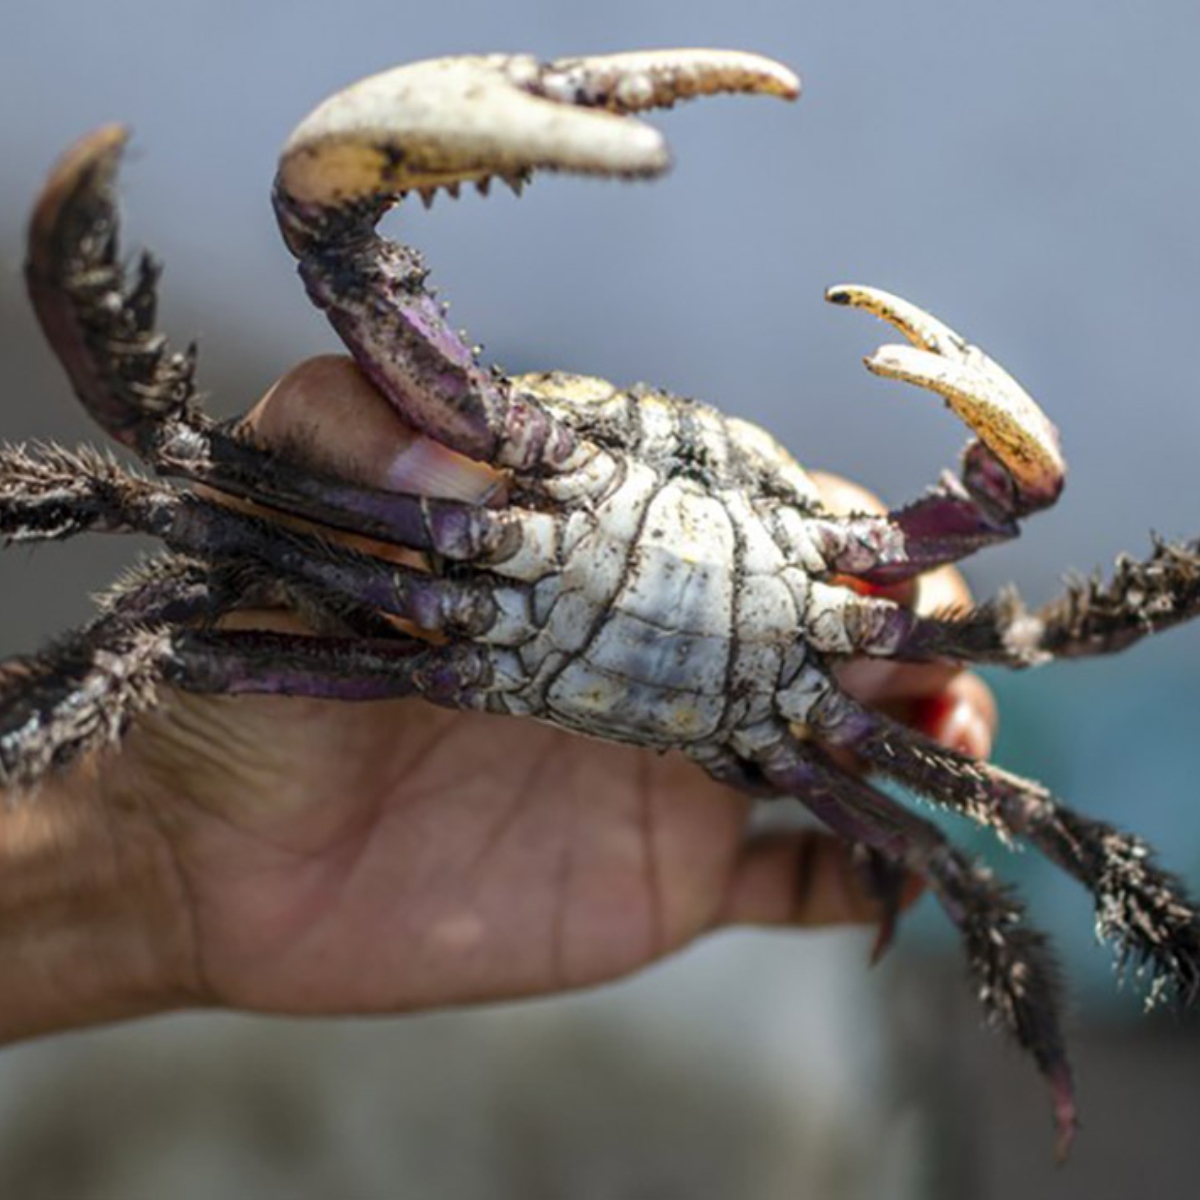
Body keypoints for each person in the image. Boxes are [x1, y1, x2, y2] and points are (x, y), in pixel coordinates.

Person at [0, 357, 996, 1044]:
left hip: (565, 769)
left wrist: (141, 860)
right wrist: (134, 839)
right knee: (162, 508)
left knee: (1000, 720)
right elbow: (169, 471)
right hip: (415, 692)